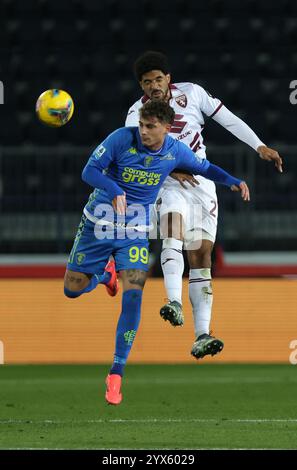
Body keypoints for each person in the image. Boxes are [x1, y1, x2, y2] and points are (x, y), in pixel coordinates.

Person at [63, 100, 249, 405]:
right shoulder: (121, 139)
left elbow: (204, 168)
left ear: (165, 127)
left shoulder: (175, 151)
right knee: (72, 289)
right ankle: (104, 275)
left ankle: (116, 373)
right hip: (98, 222)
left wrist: (233, 181)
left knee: (133, 295)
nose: (144, 131)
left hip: (136, 230)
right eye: (142, 125)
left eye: (150, 126)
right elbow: (89, 171)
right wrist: (114, 189)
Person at [125, 51, 283, 360]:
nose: (154, 86)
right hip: (166, 183)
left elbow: (228, 119)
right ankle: (173, 301)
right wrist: (171, 167)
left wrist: (259, 145)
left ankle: (201, 335)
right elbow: (133, 154)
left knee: (201, 254)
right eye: (147, 83)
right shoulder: (135, 114)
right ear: (141, 87)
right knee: (172, 231)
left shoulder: (192, 94)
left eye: (158, 79)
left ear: (168, 78)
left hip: (201, 183)